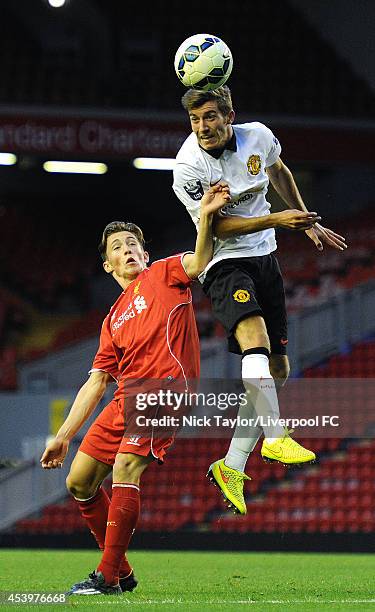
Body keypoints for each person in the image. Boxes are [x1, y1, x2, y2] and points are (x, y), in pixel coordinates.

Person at [39, 182, 231, 596]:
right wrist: (62, 437)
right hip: (126, 397)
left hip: (165, 390)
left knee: (126, 468)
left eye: (132, 244)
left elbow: (201, 259)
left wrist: (206, 217)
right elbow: (96, 384)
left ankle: (107, 578)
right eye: (117, 247)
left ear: (144, 255)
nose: (126, 249)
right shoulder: (111, 320)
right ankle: (121, 571)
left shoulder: (163, 273)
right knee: (78, 482)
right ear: (108, 265)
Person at [172, 85, 347, 516]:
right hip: (223, 263)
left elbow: (279, 171)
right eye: (195, 120)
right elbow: (216, 230)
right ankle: (275, 435)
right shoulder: (187, 167)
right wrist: (276, 218)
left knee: (278, 370)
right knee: (255, 342)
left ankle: (231, 465)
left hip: (264, 257)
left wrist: (302, 218)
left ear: (230, 116)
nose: (202, 127)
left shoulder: (258, 137)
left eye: (210, 117)